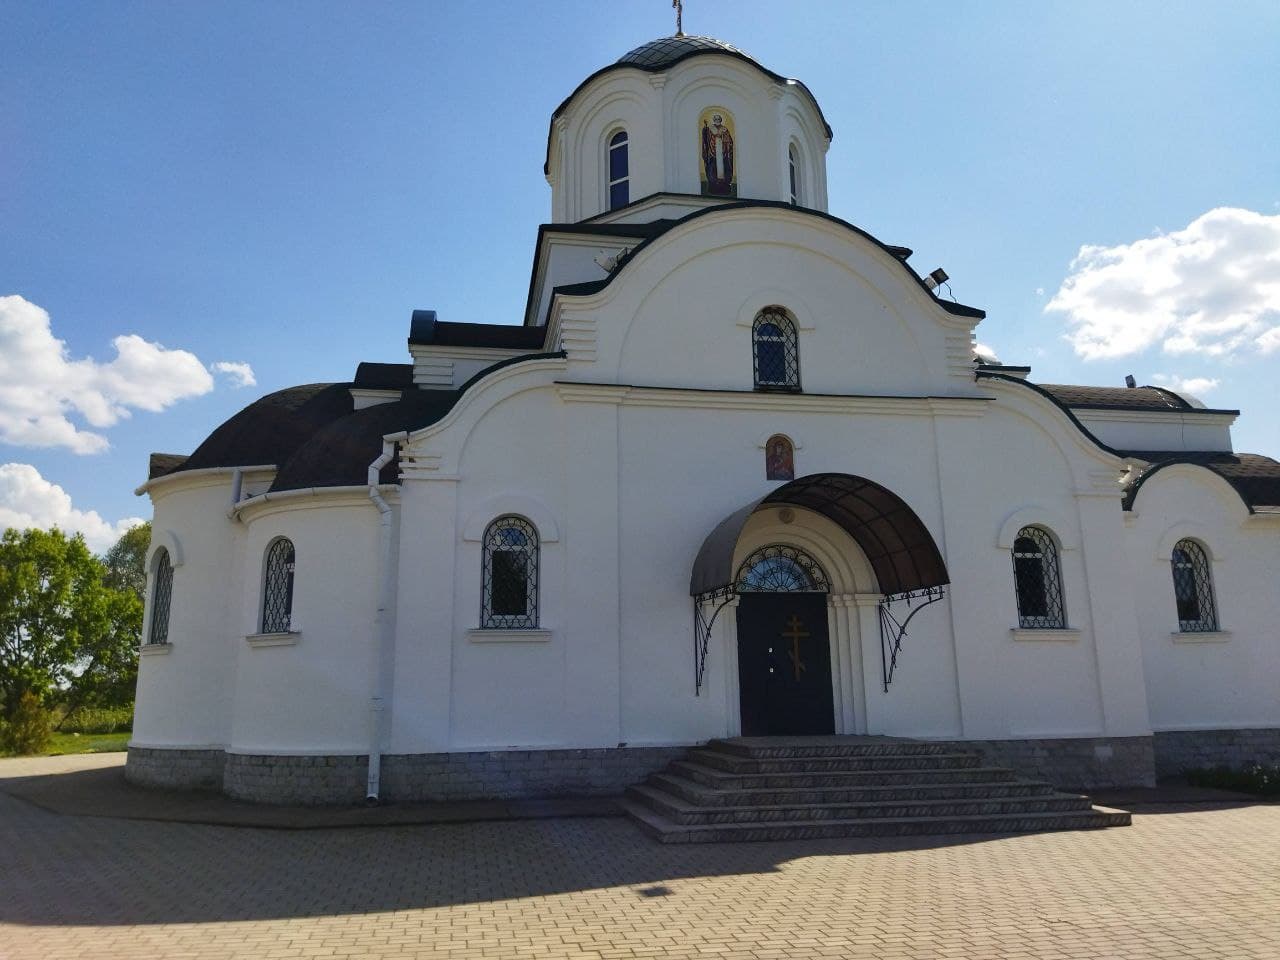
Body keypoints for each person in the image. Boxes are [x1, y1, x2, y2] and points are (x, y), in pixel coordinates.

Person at [701, 113, 735, 195]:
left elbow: (730, 141)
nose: (717, 120)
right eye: (715, 119)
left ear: (721, 120)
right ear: (714, 120)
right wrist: (705, 129)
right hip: (712, 154)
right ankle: (713, 185)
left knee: (725, 168)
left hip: (723, 153)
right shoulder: (710, 129)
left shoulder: (724, 129)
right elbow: (706, 139)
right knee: (712, 168)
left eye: (718, 119)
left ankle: (724, 185)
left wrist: (724, 140)